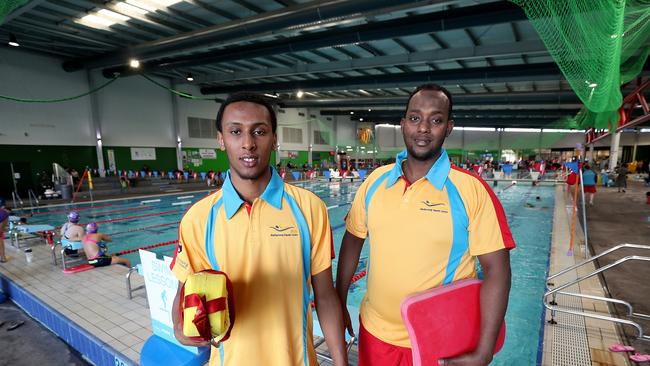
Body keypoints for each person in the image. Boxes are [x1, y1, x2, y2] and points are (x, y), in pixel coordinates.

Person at [336, 84, 514, 366]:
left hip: (440, 340)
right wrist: (339, 300)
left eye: (436, 120)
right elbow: (353, 240)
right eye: (416, 118)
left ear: (449, 127)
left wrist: (485, 349)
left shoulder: (472, 190)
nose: (424, 128)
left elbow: (498, 270)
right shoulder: (374, 182)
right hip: (374, 334)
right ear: (403, 124)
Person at [169, 92, 347, 366]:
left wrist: (341, 362)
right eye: (236, 132)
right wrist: (183, 329)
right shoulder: (198, 218)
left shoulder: (310, 208)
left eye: (259, 132)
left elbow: (324, 295)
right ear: (221, 139)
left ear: (274, 139)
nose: (248, 144)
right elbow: (183, 295)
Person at [0, 198, 8, 263]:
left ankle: (3, 257)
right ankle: (3, 258)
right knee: (0, 241)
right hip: (4, 217)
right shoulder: (4, 212)